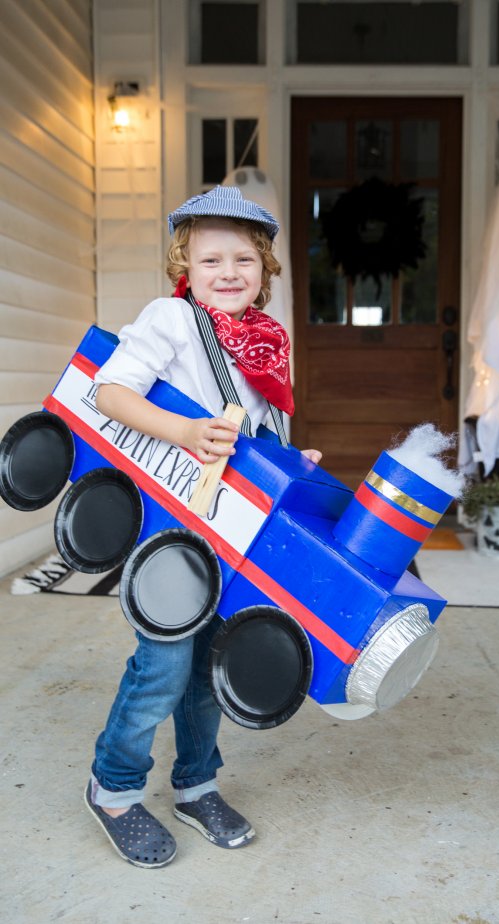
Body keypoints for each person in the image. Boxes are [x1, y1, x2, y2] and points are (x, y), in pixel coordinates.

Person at [84, 185, 322, 868]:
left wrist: (288, 460)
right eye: (211, 258)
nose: (228, 272)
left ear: (265, 270)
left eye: (244, 259)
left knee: (208, 667)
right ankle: (115, 789)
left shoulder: (265, 343)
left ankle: (196, 785)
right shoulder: (170, 318)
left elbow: (253, 434)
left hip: (232, 534)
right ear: (184, 263)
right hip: (170, 528)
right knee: (161, 666)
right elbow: (111, 390)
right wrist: (186, 429)